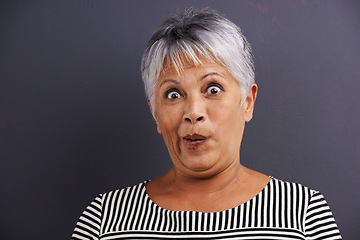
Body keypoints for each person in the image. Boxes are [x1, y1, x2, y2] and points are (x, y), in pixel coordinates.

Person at [72, 8, 342, 239]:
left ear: (247, 101)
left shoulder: (303, 213)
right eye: (173, 94)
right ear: (155, 112)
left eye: (212, 89)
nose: (193, 112)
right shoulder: (104, 220)